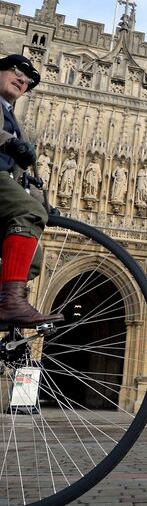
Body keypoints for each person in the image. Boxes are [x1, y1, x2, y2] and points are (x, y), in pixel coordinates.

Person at [0, 54, 63, 327]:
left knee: (33, 259)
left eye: (27, 80)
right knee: (28, 212)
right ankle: (12, 304)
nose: (22, 79)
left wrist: (45, 205)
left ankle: (4, 304)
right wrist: (8, 143)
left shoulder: (16, 122)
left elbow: (24, 177)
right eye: (15, 71)